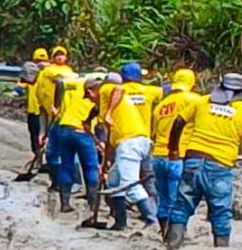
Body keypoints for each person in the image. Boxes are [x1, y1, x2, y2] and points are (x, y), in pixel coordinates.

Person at [165, 73, 242, 249]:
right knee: (220, 209)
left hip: (193, 160)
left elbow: (178, 122)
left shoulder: (202, 102)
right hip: (220, 166)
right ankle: (221, 248)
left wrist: (173, 149)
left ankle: (172, 244)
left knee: (182, 204)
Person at [85, 76, 157, 230]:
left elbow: (119, 88)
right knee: (113, 182)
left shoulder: (105, 89)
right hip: (128, 143)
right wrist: (105, 165)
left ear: (92, 91)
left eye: (89, 96)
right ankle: (120, 222)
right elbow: (111, 143)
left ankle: (151, 220)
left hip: (130, 141)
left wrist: (109, 113)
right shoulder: (104, 107)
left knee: (129, 184)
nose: (91, 100)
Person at [150, 68, 202, 236]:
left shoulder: (160, 106)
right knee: (176, 200)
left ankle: (164, 233)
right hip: (178, 156)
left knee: (163, 199)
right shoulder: (195, 100)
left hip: (158, 156)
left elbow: (154, 134)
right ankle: (174, 236)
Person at [120, 62, 164, 212]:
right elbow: (169, 90)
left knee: (125, 176)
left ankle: (126, 206)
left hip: (125, 139)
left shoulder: (118, 91)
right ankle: (154, 209)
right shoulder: (149, 91)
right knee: (148, 177)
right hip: (145, 139)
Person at [55, 73, 101, 213]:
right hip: (82, 132)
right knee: (91, 167)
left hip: (64, 128)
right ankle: (93, 204)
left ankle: (64, 203)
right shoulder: (97, 101)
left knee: (66, 166)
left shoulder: (76, 95)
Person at [37, 46, 76, 191]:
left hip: (65, 115)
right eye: (57, 55)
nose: (60, 57)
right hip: (52, 113)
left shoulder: (69, 72)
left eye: (62, 55)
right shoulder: (48, 72)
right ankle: (57, 180)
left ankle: (63, 181)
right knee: (53, 150)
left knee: (61, 150)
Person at [15, 48, 50, 160]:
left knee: (40, 135)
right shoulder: (30, 73)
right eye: (38, 61)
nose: (40, 64)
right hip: (35, 109)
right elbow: (19, 87)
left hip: (43, 110)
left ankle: (42, 156)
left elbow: (18, 89)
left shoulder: (49, 74)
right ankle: (38, 156)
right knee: (36, 135)